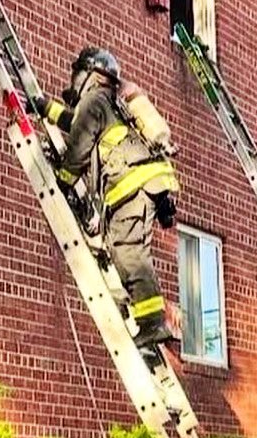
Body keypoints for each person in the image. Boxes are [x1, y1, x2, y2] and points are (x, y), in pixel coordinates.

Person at [43, 47, 179, 349]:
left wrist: (64, 181)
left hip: (131, 186)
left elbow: (78, 144)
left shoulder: (95, 100)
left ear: (90, 74)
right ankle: (140, 314)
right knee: (124, 250)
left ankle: (152, 323)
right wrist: (44, 107)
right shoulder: (109, 103)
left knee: (128, 252)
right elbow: (76, 122)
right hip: (148, 184)